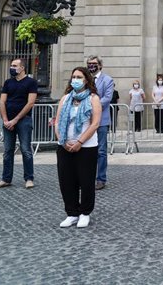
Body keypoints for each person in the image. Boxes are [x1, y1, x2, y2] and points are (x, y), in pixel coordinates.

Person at [53, 67, 102, 228]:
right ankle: (72, 212)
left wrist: (80, 142)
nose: (75, 79)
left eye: (79, 77)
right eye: (73, 76)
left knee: (86, 181)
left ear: (86, 79)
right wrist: (62, 140)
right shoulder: (66, 98)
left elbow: (95, 123)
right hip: (65, 145)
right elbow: (58, 121)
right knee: (66, 180)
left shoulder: (93, 98)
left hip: (86, 146)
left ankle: (84, 212)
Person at [0, 58, 37, 189]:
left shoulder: (31, 82)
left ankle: (29, 178)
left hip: (24, 121)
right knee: (7, 151)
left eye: (14, 65)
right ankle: (6, 179)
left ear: (22, 68)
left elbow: (30, 103)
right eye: (11, 65)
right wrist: (5, 120)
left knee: (26, 150)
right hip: (8, 122)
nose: (11, 67)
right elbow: (2, 102)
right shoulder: (8, 82)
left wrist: (15, 120)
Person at [86, 55, 114, 191]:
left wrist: (91, 107)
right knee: (86, 150)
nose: (91, 65)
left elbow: (107, 98)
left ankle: (101, 178)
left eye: (94, 63)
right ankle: (86, 177)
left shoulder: (107, 80)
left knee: (101, 150)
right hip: (85, 121)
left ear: (100, 65)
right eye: (89, 63)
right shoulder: (84, 79)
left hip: (101, 120)